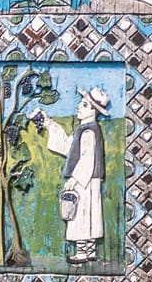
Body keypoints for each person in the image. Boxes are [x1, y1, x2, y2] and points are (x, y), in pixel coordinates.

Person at [41, 87, 110, 265]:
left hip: (86, 180)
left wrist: (74, 179)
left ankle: (82, 253)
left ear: (93, 111)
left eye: (85, 104)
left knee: (81, 214)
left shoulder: (89, 132)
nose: (79, 106)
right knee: (88, 214)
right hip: (89, 179)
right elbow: (68, 147)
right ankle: (90, 251)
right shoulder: (83, 130)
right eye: (81, 102)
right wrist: (49, 124)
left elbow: (87, 158)